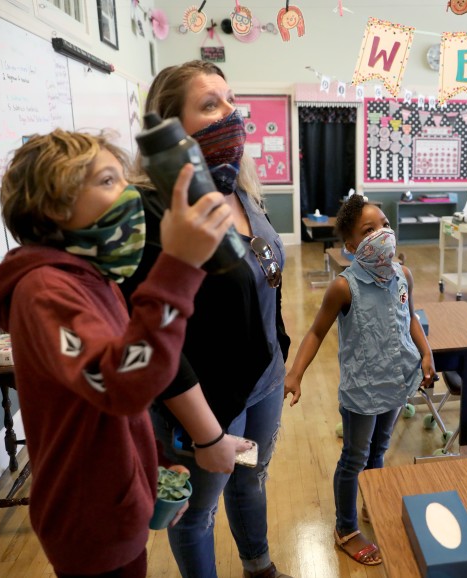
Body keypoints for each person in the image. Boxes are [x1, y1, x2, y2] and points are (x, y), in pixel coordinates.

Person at [0, 129, 238, 577]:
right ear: (54, 205)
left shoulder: (94, 278)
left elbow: (116, 403)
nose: (128, 193)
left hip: (115, 502)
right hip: (88, 521)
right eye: (108, 181)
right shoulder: (45, 292)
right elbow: (121, 384)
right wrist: (179, 267)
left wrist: (154, 468)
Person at [120, 60, 294, 578]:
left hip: (263, 376)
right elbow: (149, 337)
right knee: (197, 513)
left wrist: (280, 350)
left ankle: (258, 566)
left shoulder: (238, 188)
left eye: (231, 100)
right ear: (168, 128)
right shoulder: (149, 211)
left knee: (252, 479)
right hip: (204, 399)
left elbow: (266, 279)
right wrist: (206, 435)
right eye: (209, 105)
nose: (230, 115)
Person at [284, 194, 436, 566]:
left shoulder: (404, 274)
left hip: (397, 380)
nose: (382, 233)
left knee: (380, 449)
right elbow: (317, 332)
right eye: (370, 230)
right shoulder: (343, 286)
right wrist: (296, 372)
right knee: (354, 456)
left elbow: (411, 316)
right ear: (351, 245)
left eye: (384, 224)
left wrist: (427, 353)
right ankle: (346, 528)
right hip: (363, 389)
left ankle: (375, 496)